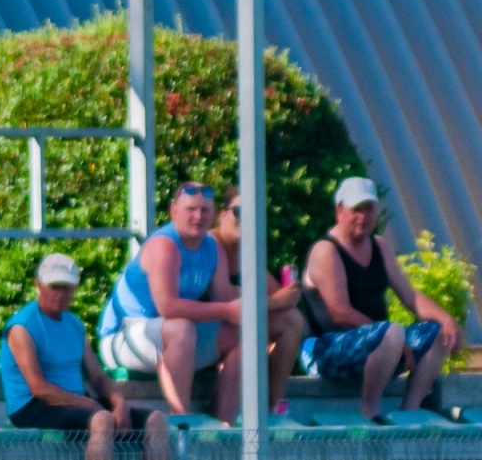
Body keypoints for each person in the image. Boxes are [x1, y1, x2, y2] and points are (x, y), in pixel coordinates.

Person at [0, 254, 170, 460]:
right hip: (32, 406)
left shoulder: (75, 324)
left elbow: (98, 377)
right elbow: (39, 388)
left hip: (74, 403)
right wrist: (93, 405)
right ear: (38, 285)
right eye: (54, 286)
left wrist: (119, 403)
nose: (61, 293)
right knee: (101, 419)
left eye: (66, 286)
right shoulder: (22, 327)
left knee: (156, 420)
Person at [298, 177, 462, 420]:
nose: (363, 216)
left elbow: (410, 297)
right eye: (356, 209)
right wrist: (393, 340)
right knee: (392, 333)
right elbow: (339, 313)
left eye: (369, 208)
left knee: (437, 333)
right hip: (324, 350)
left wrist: (447, 320)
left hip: (380, 343)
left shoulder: (380, 246)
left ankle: (410, 411)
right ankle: (370, 411)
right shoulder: (326, 251)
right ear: (339, 210)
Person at [98, 182, 244, 423]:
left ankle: (222, 421)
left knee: (242, 335)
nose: (198, 216)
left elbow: (224, 298)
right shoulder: (164, 245)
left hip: (170, 336)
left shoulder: (213, 247)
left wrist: (272, 304)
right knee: (181, 327)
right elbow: (169, 307)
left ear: (214, 214)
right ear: (173, 210)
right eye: (191, 209)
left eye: (205, 210)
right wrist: (229, 310)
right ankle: (182, 418)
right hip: (121, 338)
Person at [210, 187, 305, 414]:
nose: (246, 220)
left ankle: (270, 404)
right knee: (249, 336)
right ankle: (219, 416)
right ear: (222, 215)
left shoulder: (245, 253)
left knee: (291, 320)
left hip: (226, 331)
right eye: (239, 212)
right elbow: (225, 297)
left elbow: (280, 298)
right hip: (199, 329)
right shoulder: (211, 244)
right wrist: (277, 302)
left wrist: (286, 296)